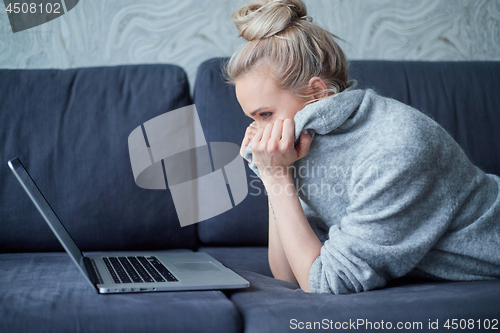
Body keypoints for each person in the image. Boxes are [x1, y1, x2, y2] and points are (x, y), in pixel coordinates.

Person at [224, 0, 500, 294]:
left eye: (265, 115)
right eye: (252, 119)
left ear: (317, 94)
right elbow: (288, 275)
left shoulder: (397, 147)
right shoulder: (310, 141)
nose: (256, 135)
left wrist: (276, 175)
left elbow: (327, 283)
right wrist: (275, 176)